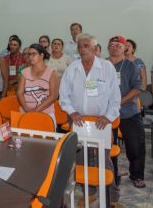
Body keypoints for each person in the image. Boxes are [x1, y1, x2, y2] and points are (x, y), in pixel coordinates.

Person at [59, 33, 121, 207]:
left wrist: (108, 117)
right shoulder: (73, 68)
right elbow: (63, 96)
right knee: (81, 160)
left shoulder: (107, 67)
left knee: (104, 160)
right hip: (78, 121)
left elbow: (115, 97)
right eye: (80, 46)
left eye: (86, 45)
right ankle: (90, 193)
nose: (82, 49)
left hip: (100, 122)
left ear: (95, 48)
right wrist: (72, 113)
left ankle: (113, 197)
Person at [107, 36, 145, 189]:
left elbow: (138, 88)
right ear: (108, 47)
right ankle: (112, 176)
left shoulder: (131, 66)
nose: (115, 47)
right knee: (108, 147)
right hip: (107, 115)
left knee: (135, 146)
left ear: (124, 48)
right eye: (112, 45)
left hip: (129, 112)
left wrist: (118, 102)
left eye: (119, 45)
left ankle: (137, 176)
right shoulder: (102, 65)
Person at [17, 44, 58, 123]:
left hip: (46, 113)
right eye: (29, 54)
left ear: (41, 55)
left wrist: (36, 111)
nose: (30, 57)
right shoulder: (24, 72)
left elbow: (53, 96)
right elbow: (19, 93)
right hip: (25, 113)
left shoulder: (51, 72)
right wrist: (26, 109)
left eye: (33, 54)